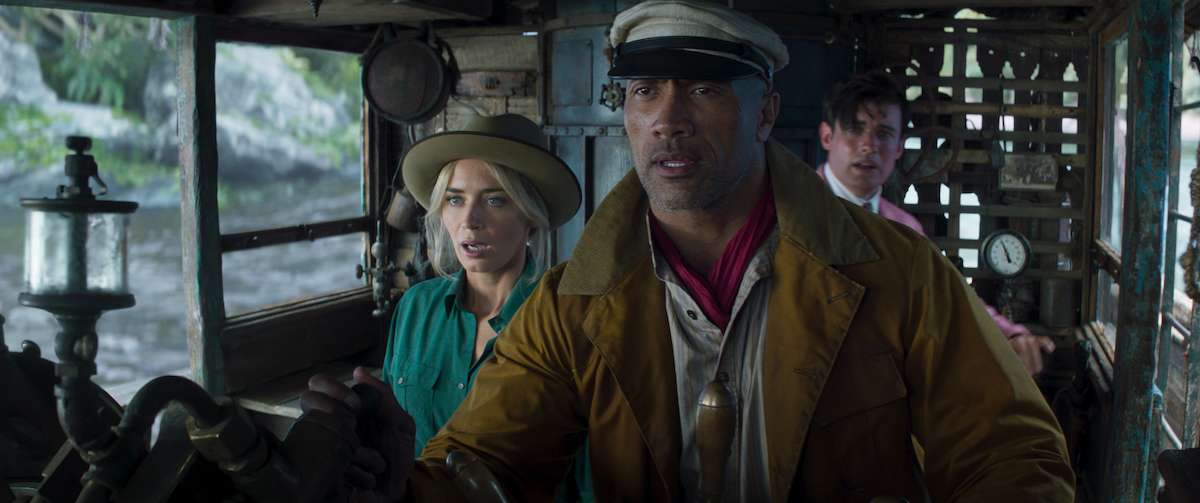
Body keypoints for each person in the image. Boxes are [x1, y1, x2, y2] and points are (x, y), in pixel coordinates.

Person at [303, 1, 1075, 501]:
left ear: (767, 109)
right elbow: (483, 468)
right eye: (644, 92)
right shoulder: (573, 305)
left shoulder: (897, 275)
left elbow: (1015, 458)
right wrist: (400, 480)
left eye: (703, 89)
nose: (668, 119)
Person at [383, 113, 590, 500]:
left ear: (530, 216)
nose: (470, 221)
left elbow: (587, 472)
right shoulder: (415, 308)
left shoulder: (562, 322)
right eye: (455, 200)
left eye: (495, 200)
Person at [815, 70, 1058, 375]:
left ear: (900, 147)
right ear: (827, 136)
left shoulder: (904, 227)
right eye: (855, 129)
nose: (868, 145)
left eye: (884, 133)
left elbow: (950, 296)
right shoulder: (791, 211)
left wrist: (1010, 334)